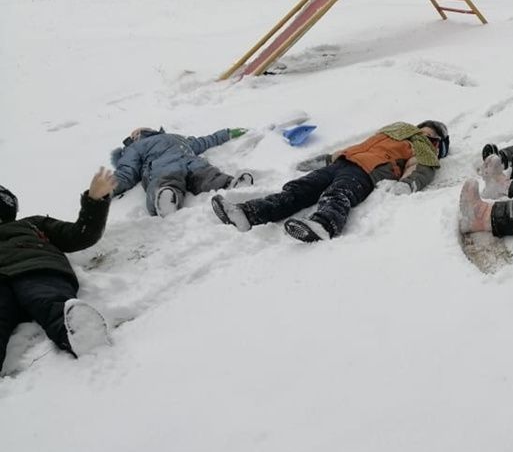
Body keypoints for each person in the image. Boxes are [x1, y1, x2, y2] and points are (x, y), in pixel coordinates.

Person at [212, 120, 450, 243]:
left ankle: (324, 225)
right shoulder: (393, 132)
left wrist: (408, 184)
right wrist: (326, 159)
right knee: (298, 189)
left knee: (338, 194)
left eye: (431, 134)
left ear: (437, 142)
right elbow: (358, 147)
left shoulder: (423, 148)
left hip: (368, 172)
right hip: (344, 161)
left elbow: (422, 168)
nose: (424, 133)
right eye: (423, 129)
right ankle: (249, 213)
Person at [0, 169, 117, 369]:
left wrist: (95, 201)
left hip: (35, 267)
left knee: (48, 299)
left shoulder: (32, 225)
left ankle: (80, 333)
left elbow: (79, 235)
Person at [111, 126, 252, 217]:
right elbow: (205, 141)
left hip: (164, 166)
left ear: (136, 138)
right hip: (189, 161)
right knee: (207, 175)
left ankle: (167, 196)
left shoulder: (135, 147)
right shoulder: (175, 137)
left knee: (167, 180)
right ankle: (230, 184)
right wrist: (227, 133)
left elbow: (126, 172)